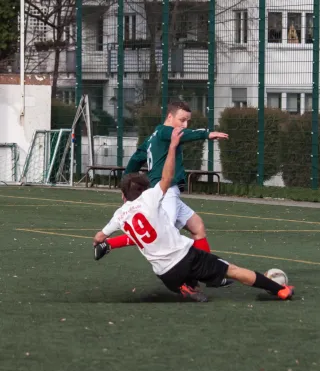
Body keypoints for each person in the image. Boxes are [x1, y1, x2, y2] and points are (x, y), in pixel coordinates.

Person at [93, 128, 294, 302]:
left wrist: (102, 244)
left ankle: (185, 287)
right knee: (233, 270)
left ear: (122, 196)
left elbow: (99, 238)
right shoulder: (150, 197)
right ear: (146, 190)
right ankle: (281, 290)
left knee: (192, 236)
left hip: (166, 275)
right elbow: (167, 176)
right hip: (185, 259)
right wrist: (172, 147)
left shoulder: (119, 215)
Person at [94, 101, 232, 286]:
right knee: (160, 233)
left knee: (197, 226)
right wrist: (207, 134)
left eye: (187, 121)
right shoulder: (166, 131)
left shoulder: (153, 137)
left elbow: (136, 159)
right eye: (182, 120)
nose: (184, 125)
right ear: (169, 117)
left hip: (165, 192)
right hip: (164, 191)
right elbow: (182, 135)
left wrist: (125, 187)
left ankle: (209, 276)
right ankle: (109, 244)